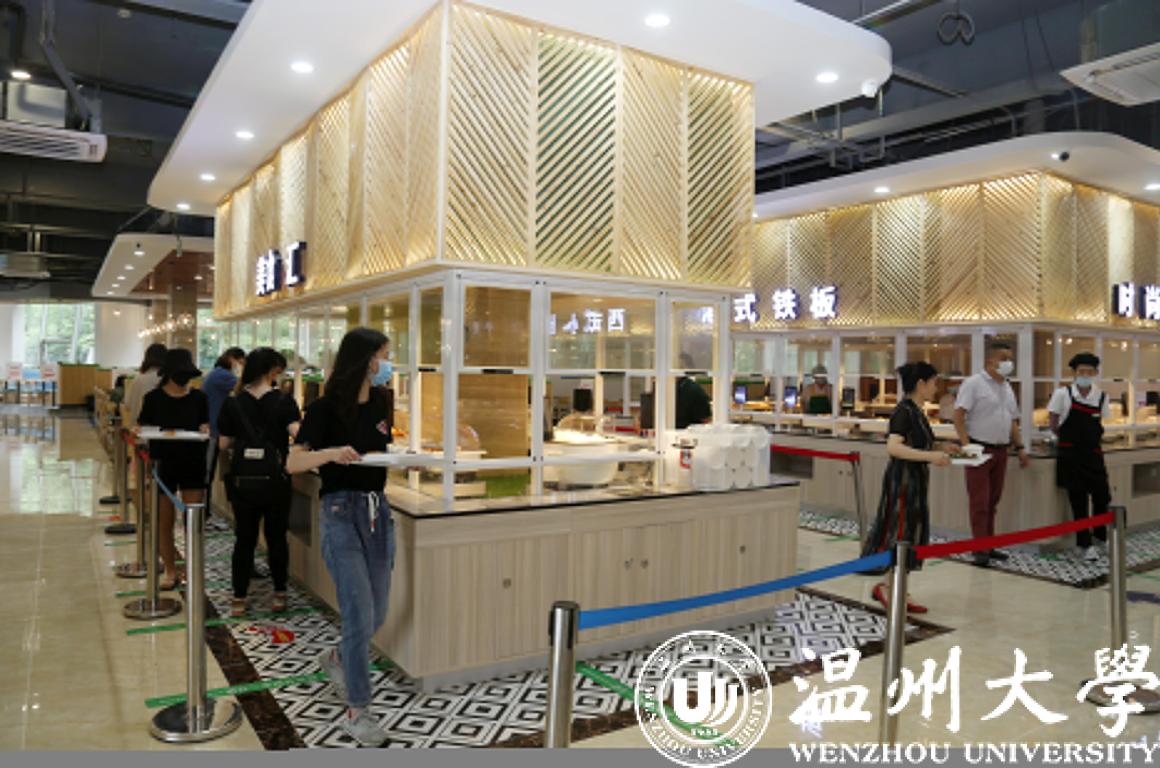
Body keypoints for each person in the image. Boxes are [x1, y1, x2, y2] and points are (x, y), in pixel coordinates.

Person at [287, 327, 394, 747]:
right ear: (365, 359)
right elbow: (293, 462)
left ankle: (335, 658)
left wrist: (404, 461)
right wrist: (332, 454)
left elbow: (379, 452)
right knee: (358, 614)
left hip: (378, 512)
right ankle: (357, 711)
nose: (386, 364)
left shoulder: (383, 401)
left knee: (377, 613)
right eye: (382, 355)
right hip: (340, 512)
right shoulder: (324, 407)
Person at [217, 348, 301, 617]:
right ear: (272, 370)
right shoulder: (284, 401)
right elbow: (298, 434)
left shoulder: (233, 402)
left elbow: (223, 443)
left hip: (243, 481)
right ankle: (279, 594)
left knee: (245, 538)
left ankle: (239, 598)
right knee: (276, 537)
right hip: (275, 481)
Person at [862, 362, 951, 615]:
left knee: (911, 533)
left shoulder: (917, 412)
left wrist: (941, 448)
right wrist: (930, 457)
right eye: (933, 383)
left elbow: (918, 444)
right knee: (900, 532)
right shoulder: (903, 411)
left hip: (916, 479)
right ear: (921, 384)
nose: (936, 388)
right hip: (903, 481)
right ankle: (888, 587)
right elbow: (894, 447)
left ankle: (897, 586)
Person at [136, 348, 210, 590]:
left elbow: (205, 425)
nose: (184, 380)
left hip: (193, 462)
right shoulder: (153, 399)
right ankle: (169, 569)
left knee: (193, 521)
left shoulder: (199, 398)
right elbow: (143, 427)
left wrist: (205, 429)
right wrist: (141, 432)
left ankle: (192, 568)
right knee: (163, 522)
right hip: (163, 463)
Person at [953, 342, 1030, 567]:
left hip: (1001, 450)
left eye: (1010, 358)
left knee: (993, 500)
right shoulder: (974, 383)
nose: (1008, 363)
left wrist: (1020, 447)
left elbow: (1012, 420)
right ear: (990, 360)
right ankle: (980, 549)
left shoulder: (1007, 387)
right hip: (978, 448)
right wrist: (966, 446)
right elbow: (958, 417)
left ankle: (989, 545)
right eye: (1003, 358)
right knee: (979, 502)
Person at [1048, 352, 1111, 562]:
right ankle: (1083, 545)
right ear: (1074, 373)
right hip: (1071, 455)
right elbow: (1053, 423)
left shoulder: (1101, 396)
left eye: (1089, 371)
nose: (1085, 375)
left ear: (1096, 373)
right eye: (1081, 371)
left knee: (1102, 497)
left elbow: (1101, 423)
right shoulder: (1062, 394)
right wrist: (1068, 440)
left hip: (1094, 454)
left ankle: (1100, 537)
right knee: (1079, 501)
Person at [203, 347, 246, 437]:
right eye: (240, 363)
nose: (240, 366)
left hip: (211, 419)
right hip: (216, 422)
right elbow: (243, 389)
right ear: (231, 359)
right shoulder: (223, 375)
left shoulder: (217, 372)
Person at [125, 343, 166, 427]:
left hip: (138, 429)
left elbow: (127, 405)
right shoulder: (169, 381)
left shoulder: (137, 380)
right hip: (161, 431)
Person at [674, 352, 712, 429]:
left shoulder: (692, 389)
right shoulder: (694, 389)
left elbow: (706, 420)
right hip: (689, 433)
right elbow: (706, 420)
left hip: (686, 433)